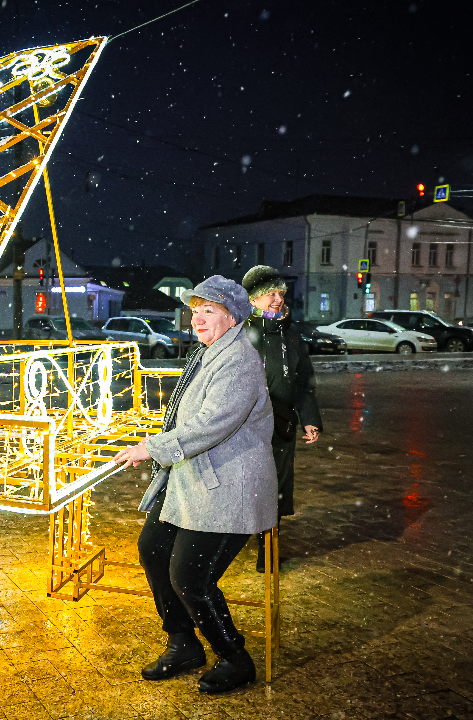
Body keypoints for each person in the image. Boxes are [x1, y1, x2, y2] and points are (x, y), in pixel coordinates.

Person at [114, 275, 277, 695]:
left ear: (233, 317)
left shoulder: (238, 360)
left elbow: (212, 424)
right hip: (194, 480)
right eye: (194, 311)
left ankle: (235, 657)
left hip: (229, 488)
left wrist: (152, 447)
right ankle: (184, 643)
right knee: (153, 549)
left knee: (190, 577)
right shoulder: (208, 354)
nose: (197, 319)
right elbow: (189, 415)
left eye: (209, 311)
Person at [241, 265, 322, 572]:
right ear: (253, 298)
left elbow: (303, 380)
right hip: (245, 426)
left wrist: (309, 417)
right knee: (245, 487)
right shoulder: (238, 331)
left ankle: (268, 552)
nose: (277, 299)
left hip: (282, 424)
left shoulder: (290, 333)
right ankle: (229, 542)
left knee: (273, 488)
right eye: (269, 294)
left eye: (280, 293)